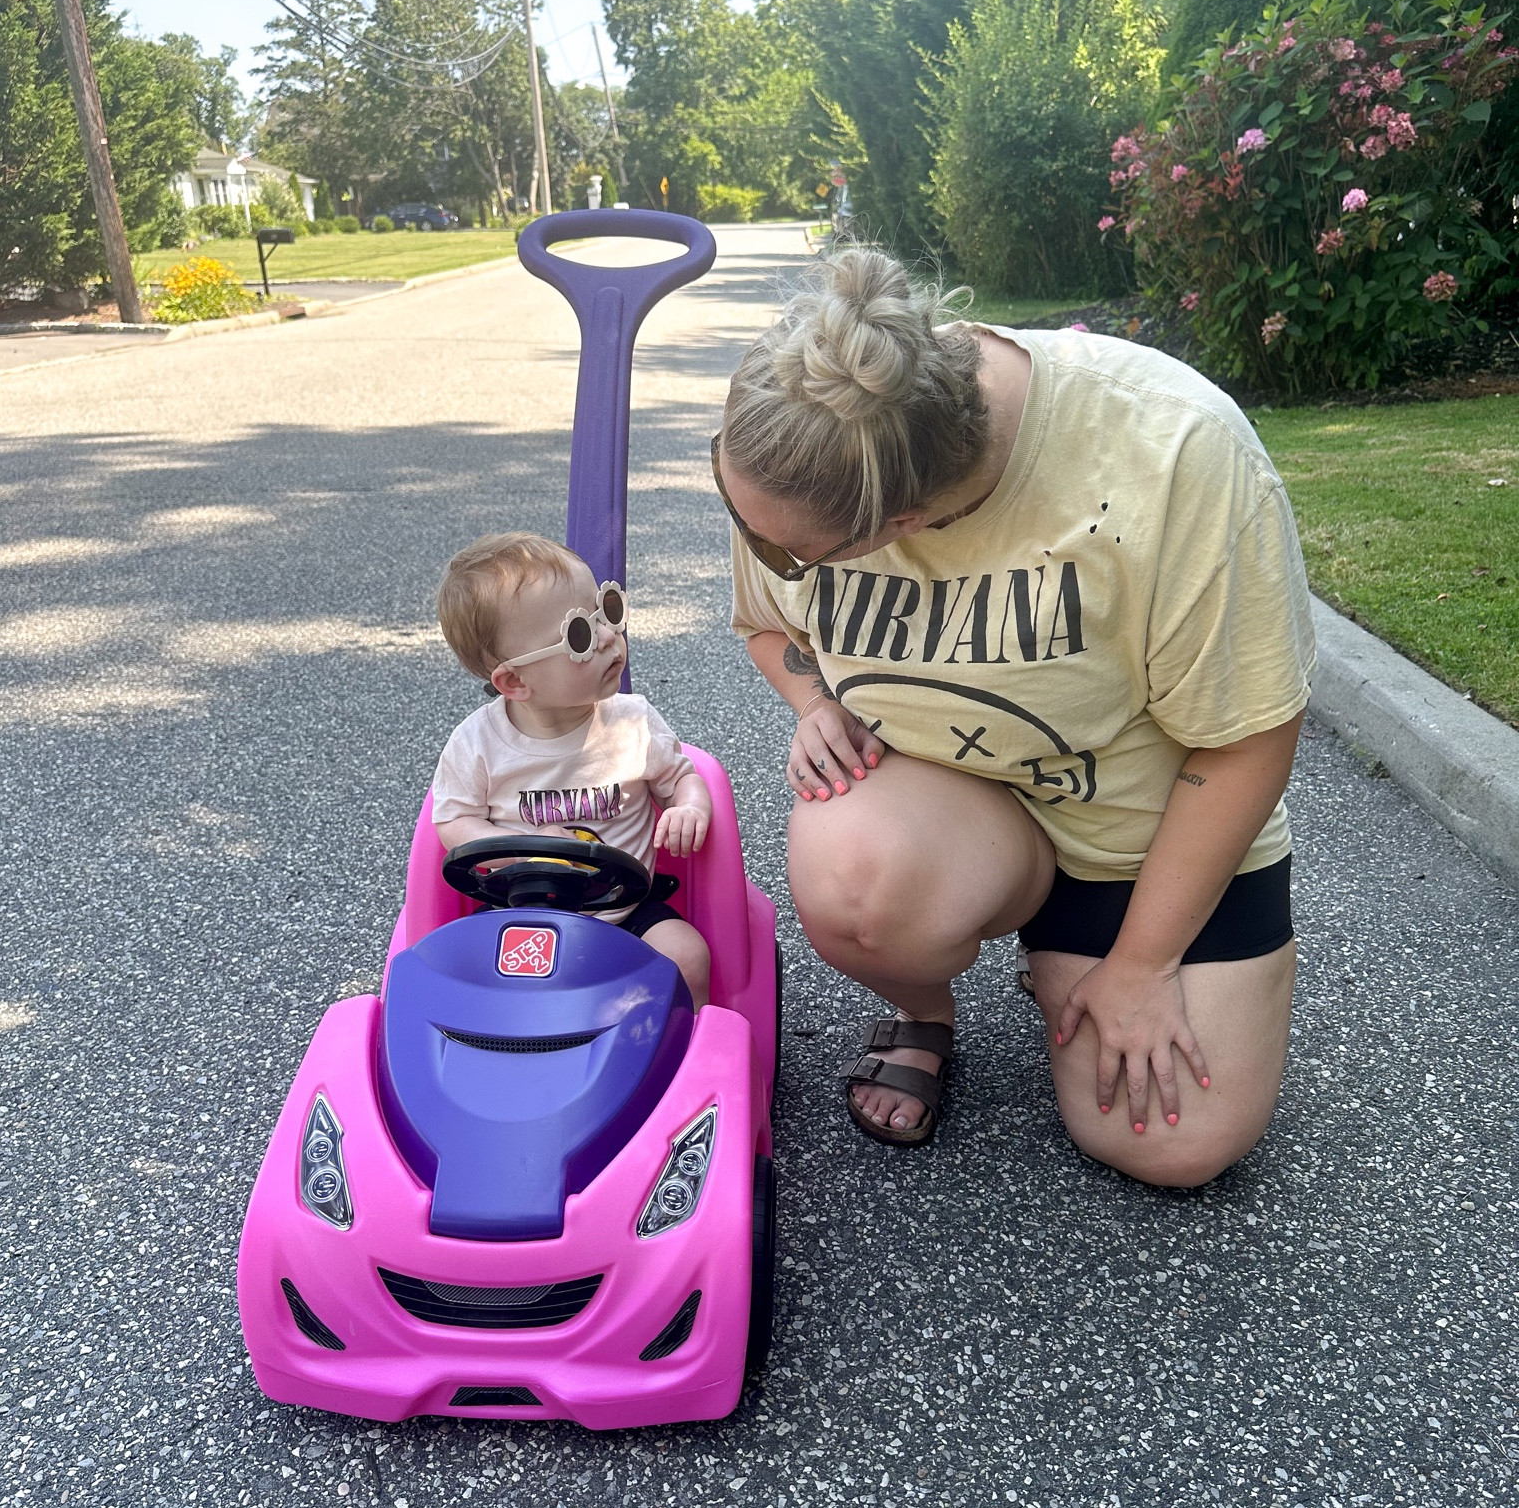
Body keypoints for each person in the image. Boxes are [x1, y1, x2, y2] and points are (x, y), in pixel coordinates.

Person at [721, 248, 1314, 1185]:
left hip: (1143, 830)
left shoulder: (1176, 448)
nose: (759, 549)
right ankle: (930, 1006)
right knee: (857, 879)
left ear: (906, 523)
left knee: (1174, 1147)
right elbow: (768, 625)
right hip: (961, 808)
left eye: (789, 551)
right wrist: (813, 699)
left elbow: (1248, 738)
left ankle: (1094, 950)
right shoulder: (798, 459)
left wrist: (1143, 964)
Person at [432, 532, 714, 1008]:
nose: (609, 636)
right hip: (516, 913)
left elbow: (682, 778)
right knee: (454, 973)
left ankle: (688, 1060)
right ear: (515, 680)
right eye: (580, 635)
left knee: (686, 955)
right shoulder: (478, 744)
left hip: (624, 911)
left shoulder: (633, 722)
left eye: (607, 611)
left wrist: (689, 806)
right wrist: (510, 856)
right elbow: (453, 821)